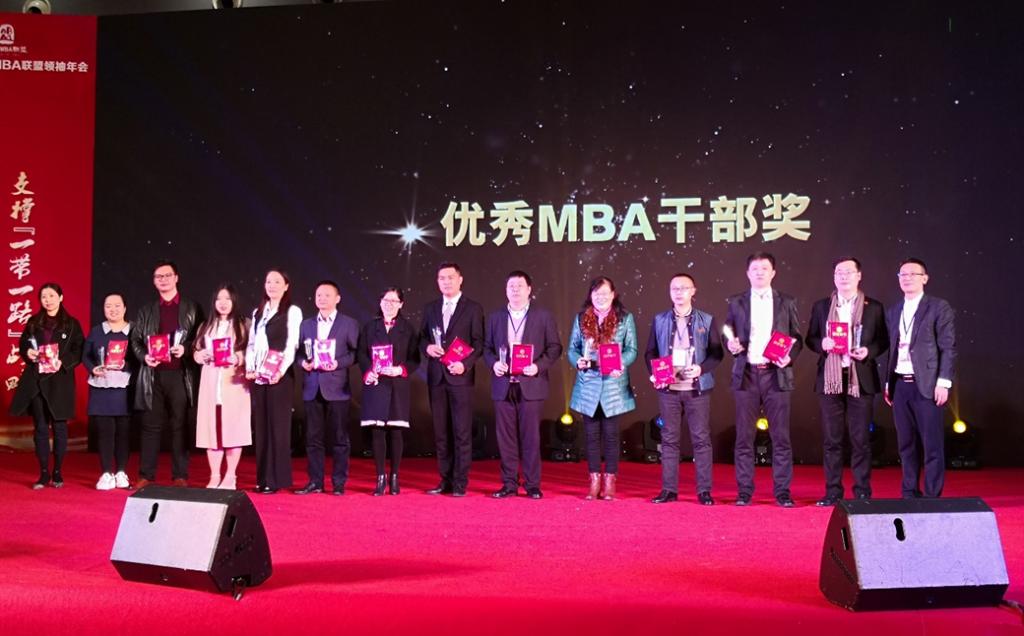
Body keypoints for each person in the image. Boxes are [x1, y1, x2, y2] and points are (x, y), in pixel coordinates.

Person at [806, 257, 889, 505]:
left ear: (859, 276)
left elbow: (883, 341)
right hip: (830, 379)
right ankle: (833, 492)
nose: (844, 277)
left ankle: (862, 491)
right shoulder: (822, 306)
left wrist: (868, 351)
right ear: (834, 277)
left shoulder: (873, 307)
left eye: (849, 272)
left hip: (860, 379)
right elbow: (811, 338)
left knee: (860, 439)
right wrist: (822, 343)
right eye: (839, 272)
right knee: (832, 440)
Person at [724, 252, 803, 507]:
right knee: (744, 437)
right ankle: (744, 491)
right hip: (746, 373)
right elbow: (728, 333)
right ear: (748, 273)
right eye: (755, 269)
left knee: (781, 437)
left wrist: (789, 357)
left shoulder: (786, 301)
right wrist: (731, 344)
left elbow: (797, 338)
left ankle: (783, 492)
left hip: (775, 374)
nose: (759, 272)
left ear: (773, 273)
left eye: (764, 268)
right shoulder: (736, 302)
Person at [643, 273, 723, 505]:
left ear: (693, 291)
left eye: (684, 288)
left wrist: (701, 369)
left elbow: (717, 353)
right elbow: (650, 352)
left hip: (697, 389)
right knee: (669, 439)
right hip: (669, 389)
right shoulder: (660, 319)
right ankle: (669, 490)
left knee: (701, 439)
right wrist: (655, 373)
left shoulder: (706, 320)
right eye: (674, 289)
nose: (679, 293)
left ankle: (704, 491)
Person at [483, 271, 563, 500]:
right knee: (505, 439)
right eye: (511, 286)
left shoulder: (543, 316)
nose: (515, 290)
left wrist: (538, 366)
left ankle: (532, 484)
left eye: (520, 286)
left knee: (531, 438)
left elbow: (555, 348)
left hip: (531, 384)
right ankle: (509, 483)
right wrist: (494, 363)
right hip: (503, 385)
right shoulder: (496, 317)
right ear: (505, 290)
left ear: (529, 290)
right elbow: (487, 348)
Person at [885, 258, 956, 498]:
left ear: (924, 278)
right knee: (906, 444)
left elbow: (948, 347)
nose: (907, 278)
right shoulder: (894, 310)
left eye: (913, 274)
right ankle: (909, 493)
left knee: (932, 445)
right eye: (902, 274)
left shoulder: (938, 307)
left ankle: (932, 496)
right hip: (900, 385)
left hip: (927, 385)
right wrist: (889, 382)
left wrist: (943, 382)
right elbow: (892, 349)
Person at [130, 260, 202, 488]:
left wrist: (187, 349)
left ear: (176, 278)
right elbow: (135, 340)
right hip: (153, 375)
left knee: (179, 425)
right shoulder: (146, 310)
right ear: (154, 281)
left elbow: (201, 338)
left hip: (180, 374)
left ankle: (180, 475)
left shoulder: (192, 308)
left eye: (167, 275)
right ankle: (146, 475)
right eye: (158, 277)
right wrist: (144, 357)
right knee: (150, 426)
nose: (163, 280)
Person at [567, 276, 638, 500]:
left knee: (611, 436)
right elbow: (572, 349)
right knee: (590, 436)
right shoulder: (581, 318)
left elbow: (632, 349)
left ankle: (610, 481)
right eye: (597, 293)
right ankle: (594, 480)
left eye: (605, 293)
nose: (601, 297)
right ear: (591, 295)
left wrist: (621, 363)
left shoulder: (625, 318)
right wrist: (577, 360)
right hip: (588, 384)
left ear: (613, 294)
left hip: (613, 385)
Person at [9, 283, 84, 489]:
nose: (48, 300)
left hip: (60, 380)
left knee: (60, 427)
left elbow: (79, 350)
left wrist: (64, 362)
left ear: (61, 297)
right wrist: (28, 352)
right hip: (37, 381)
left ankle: (57, 471)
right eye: (44, 297)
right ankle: (43, 473)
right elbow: (24, 343)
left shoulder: (72, 324)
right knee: (40, 428)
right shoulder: (34, 322)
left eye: (51, 295)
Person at [420, 262, 484, 497]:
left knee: (461, 432)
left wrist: (464, 364)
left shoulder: (473, 308)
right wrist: (427, 348)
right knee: (441, 433)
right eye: (441, 278)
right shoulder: (430, 308)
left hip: (460, 377)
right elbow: (422, 338)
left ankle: (460, 482)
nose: (446, 282)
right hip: (437, 378)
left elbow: (479, 343)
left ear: (460, 279)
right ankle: (444, 479)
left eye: (450, 277)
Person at [294, 281, 358, 496]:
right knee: (313, 439)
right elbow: (299, 353)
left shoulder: (348, 323)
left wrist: (337, 363)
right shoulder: (306, 325)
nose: (322, 298)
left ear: (337, 299)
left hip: (337, 388)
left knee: (340, 439)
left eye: (327, 295)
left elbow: (355, 354)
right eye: (319, 295)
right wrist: (303, 363)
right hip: (312, 386)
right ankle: (315, 481)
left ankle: (339, 482)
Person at [358, 287, 421, 496]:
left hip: (397, 385)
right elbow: (362, 354)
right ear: (380, 302)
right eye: (386, 300)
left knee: (395, 432)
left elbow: (414, 359)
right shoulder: (370, 327)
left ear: (401, 304)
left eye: (394, 301)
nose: (389, 305)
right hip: (376, 385)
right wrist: (368, 372)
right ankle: (380, 477)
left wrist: (400, 370)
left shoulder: (408, 329)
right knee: (377, 432)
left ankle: (394, 476)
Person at [246, 269, 302, 494]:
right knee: (261, 427)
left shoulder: (292, 311)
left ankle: (276, 479)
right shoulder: (258, 312)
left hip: (280, 377)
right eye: (268, 281)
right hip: (259, 376)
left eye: (277, 282)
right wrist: (250, 367)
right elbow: (252, 344)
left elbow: (292, 344)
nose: (272, 285)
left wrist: (279, 370)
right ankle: (262, 478)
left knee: (278, 427)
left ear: (286, 286)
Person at [192, 285, 251, 490]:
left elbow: (252, 352)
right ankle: (215, 475)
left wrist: (237, 358)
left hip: (233, 384)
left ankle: (231, 476)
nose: (223, 303)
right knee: (211, 432)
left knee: (233, 430)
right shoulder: (206, 326)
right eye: (219, 299)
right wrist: (199, 355)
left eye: (227, 299)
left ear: (234, 301)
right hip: (210, 383)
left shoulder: (244, 325)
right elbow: (196, 350)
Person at [84, 293, 134, 490]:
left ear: (125, 308)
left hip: (125, 387)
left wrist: (126, 364)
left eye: (117, 305)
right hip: (102, 387)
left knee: (124, 432)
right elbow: (85, 356)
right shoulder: (97, 331)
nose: (113, 310)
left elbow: (139, 356)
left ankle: (121, 471)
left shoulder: (133, 330)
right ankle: (106, 473)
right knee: (105, 433)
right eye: (108, 306)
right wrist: (93, 368)